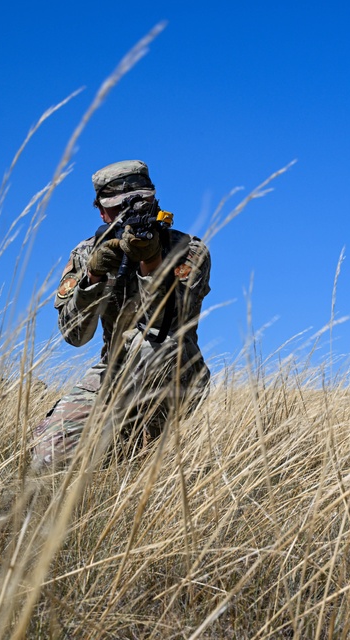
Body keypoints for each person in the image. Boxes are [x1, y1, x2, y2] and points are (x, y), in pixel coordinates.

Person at [30, 160, 211, 469]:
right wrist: (95, 276)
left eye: (141, 201)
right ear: (101, 211)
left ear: (154, 198)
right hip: (111, 371)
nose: (131, 213)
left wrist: (150, 262)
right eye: (118, 207)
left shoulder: (188, 250)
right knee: (46, 456)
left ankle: (131, 458)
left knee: (147, 350)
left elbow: (165, 326)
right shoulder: (86, 253)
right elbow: (75, 335)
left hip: (173, 368)